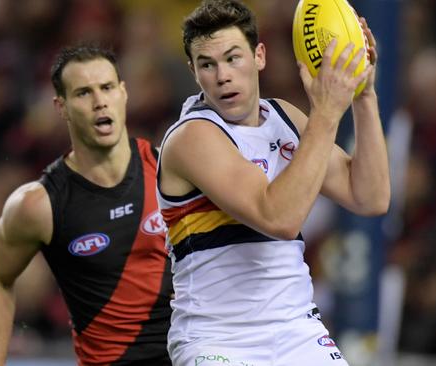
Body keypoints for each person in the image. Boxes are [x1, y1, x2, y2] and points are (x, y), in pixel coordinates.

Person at [156, 1, 390, 365]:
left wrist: (364, 96)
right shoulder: (192, 137)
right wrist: (327, 113)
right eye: (207, 64)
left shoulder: (283, 117)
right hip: (219, 340)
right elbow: (279, 218)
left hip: (297, 331)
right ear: (194, 72)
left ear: (259, 56)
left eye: (233, 58)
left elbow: (370, 197)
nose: (222, 76)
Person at [0, 44, 173, 366]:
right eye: (83, 93)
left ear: (123, 93)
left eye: (107, 87)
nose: (99, 101)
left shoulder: (171, 171)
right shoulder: (38, 205)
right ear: (61, 106)